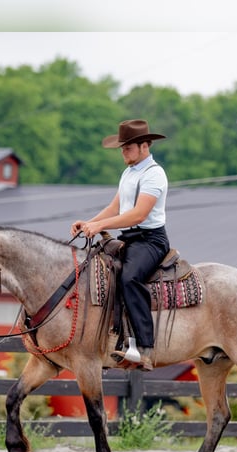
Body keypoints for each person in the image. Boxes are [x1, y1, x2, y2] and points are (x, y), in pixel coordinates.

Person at [71, 119, 170, 371]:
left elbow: (138, 215)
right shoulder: (129, 172)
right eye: (122, 148)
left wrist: (102, 226)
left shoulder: (154, 174)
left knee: (129, 278)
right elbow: (116, 208)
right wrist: (90, 223)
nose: (122, 152)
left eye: (127, 148)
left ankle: (144, 346)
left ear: (144, 146)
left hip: (150, 240)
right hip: (130, 238)